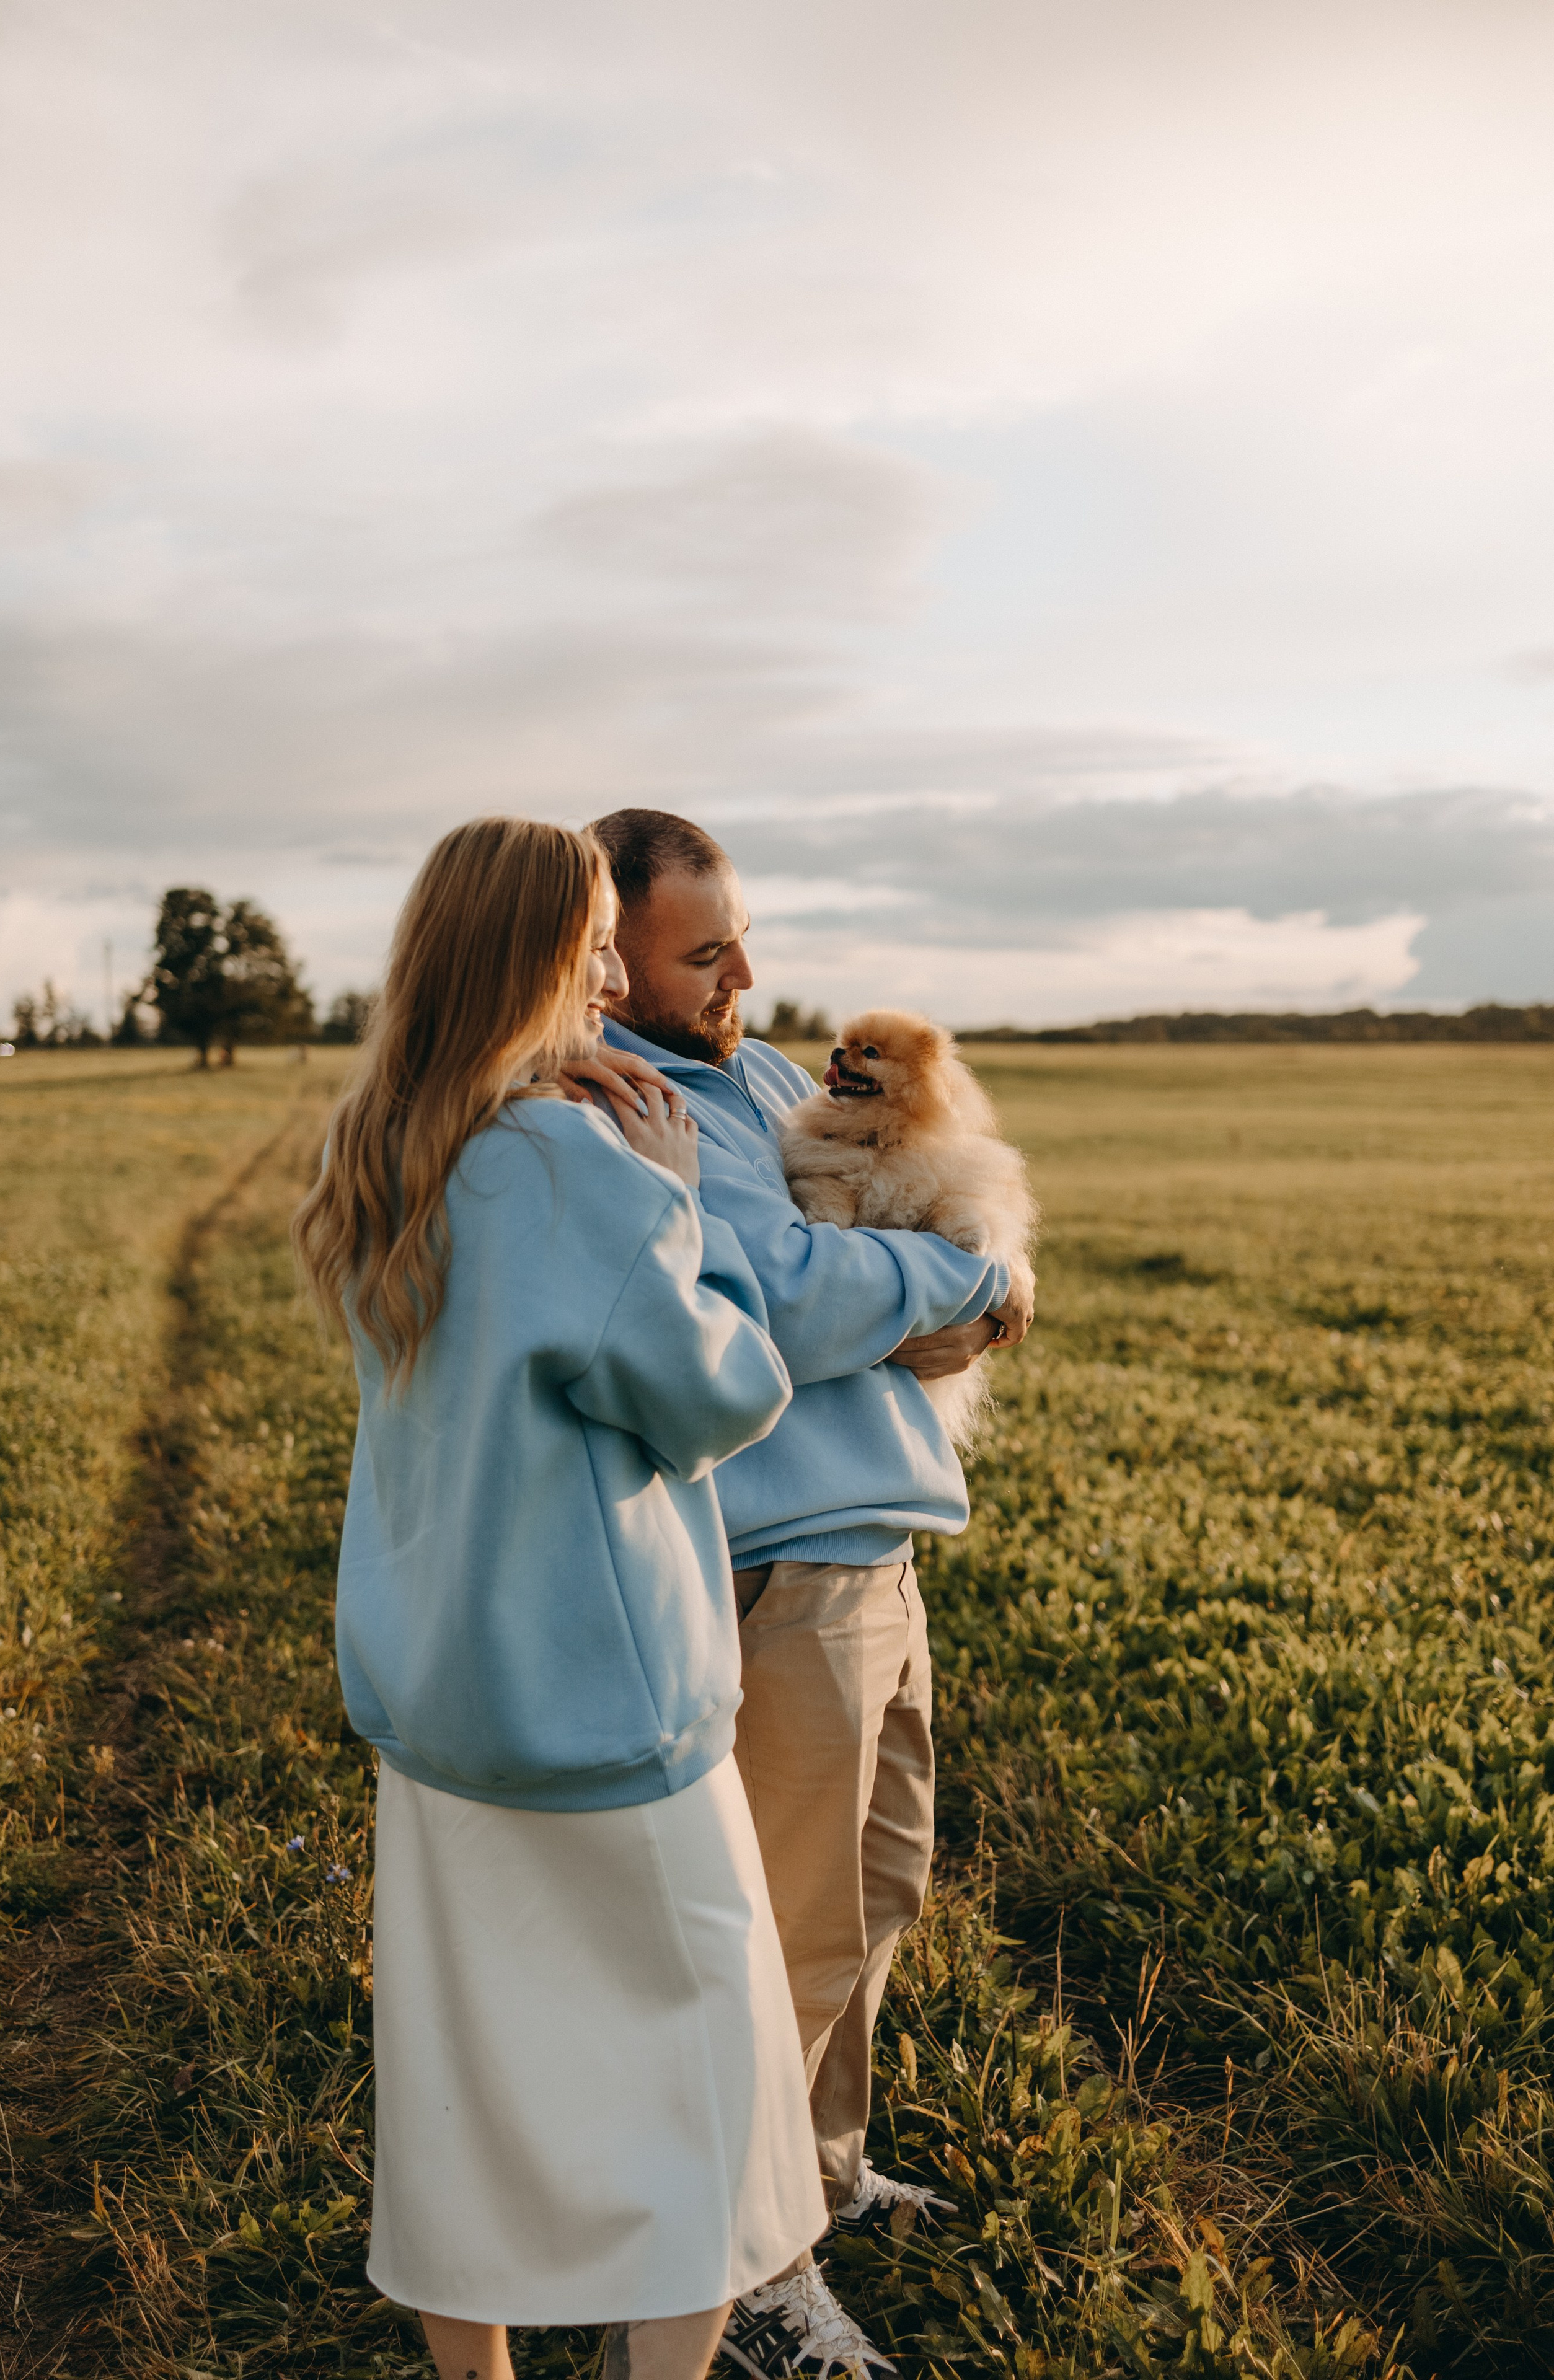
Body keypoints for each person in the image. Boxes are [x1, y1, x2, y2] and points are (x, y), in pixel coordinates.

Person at [293, 817, 826, 2380]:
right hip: (608, 1718)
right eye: (595, 937)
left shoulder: (384, 1148)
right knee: (721, 2116)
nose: (612, 968)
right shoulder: (579, 1163)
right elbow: (724, 1395)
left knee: (464, 2095)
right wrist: (681, 1200)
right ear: (537, 957)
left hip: (438, 1713)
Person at [588, 811, 1031, 2380]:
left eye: (741, 941)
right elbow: (783, 1297)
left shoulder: (772, 1080)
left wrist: (961, 1277)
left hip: (882, 1542)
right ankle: (754, 2273)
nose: (742, 978)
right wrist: (961, 1287)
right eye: (702, 953)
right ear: (603, 954)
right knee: (785, 1934)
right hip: (779, 1563)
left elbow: (926, 1212)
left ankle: (824, 2176)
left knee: (882, 1891)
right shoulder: (636, 1109)